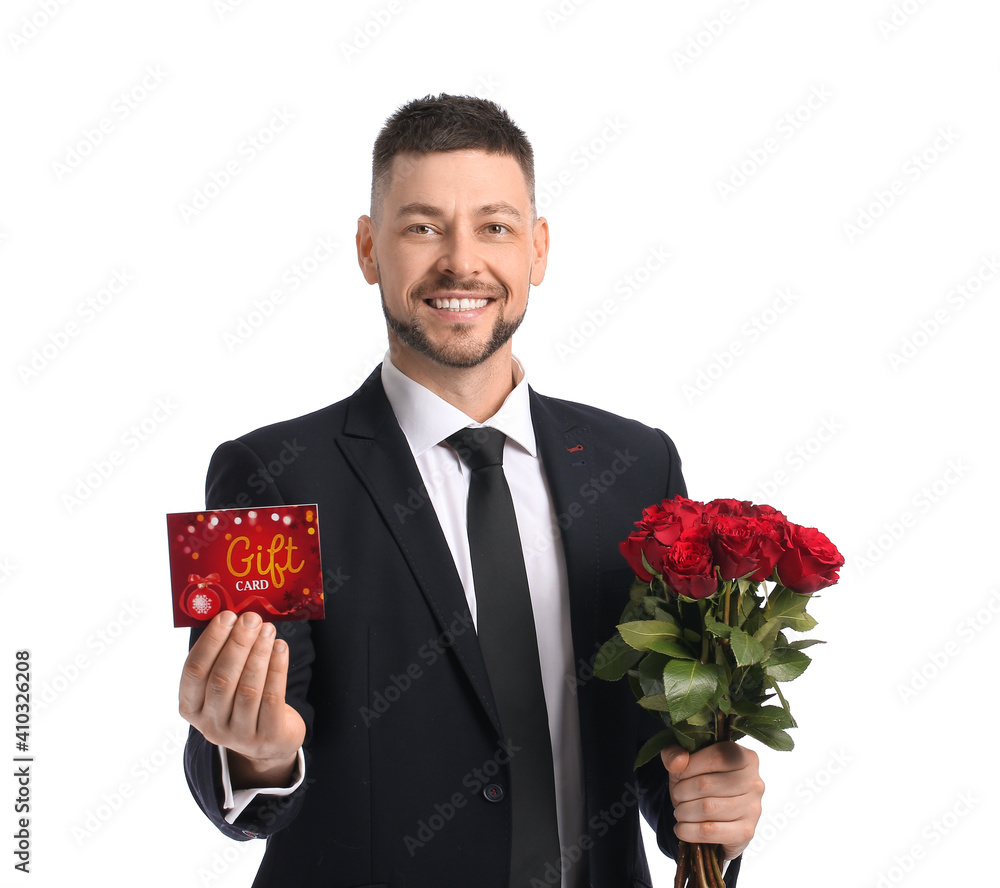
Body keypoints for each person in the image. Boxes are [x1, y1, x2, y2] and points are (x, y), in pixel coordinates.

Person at [179, 94, 763, 888]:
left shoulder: (637, 466)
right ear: (367, 248)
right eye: (422, 227)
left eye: (495, 226)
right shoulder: (269, 477)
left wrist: (711, 806)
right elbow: (249, 762)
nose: (462, 261)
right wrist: (258, 752)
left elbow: (655, 748)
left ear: (539, 250)